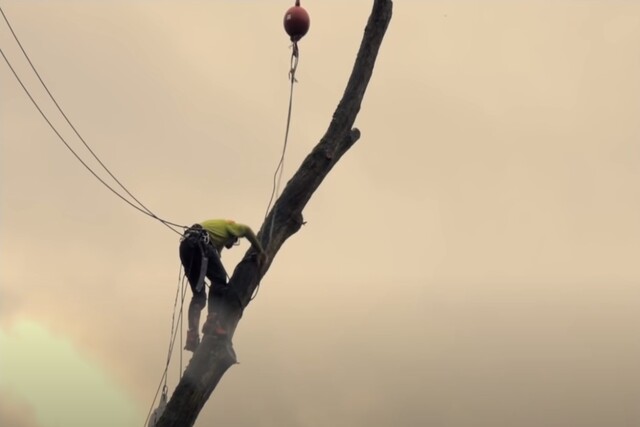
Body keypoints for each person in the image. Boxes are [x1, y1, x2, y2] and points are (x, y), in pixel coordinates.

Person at [179, 219, 265, 352]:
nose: (232, 244)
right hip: (200, 243)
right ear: (234, 234)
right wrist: (260, 251)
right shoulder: (230, 226)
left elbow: (216, 256)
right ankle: (212, 321)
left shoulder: (216, 235)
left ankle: (192, 336)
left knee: (199, 296)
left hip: (186, 247)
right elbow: (247, 229)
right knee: (219, 280)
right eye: (234, 240)